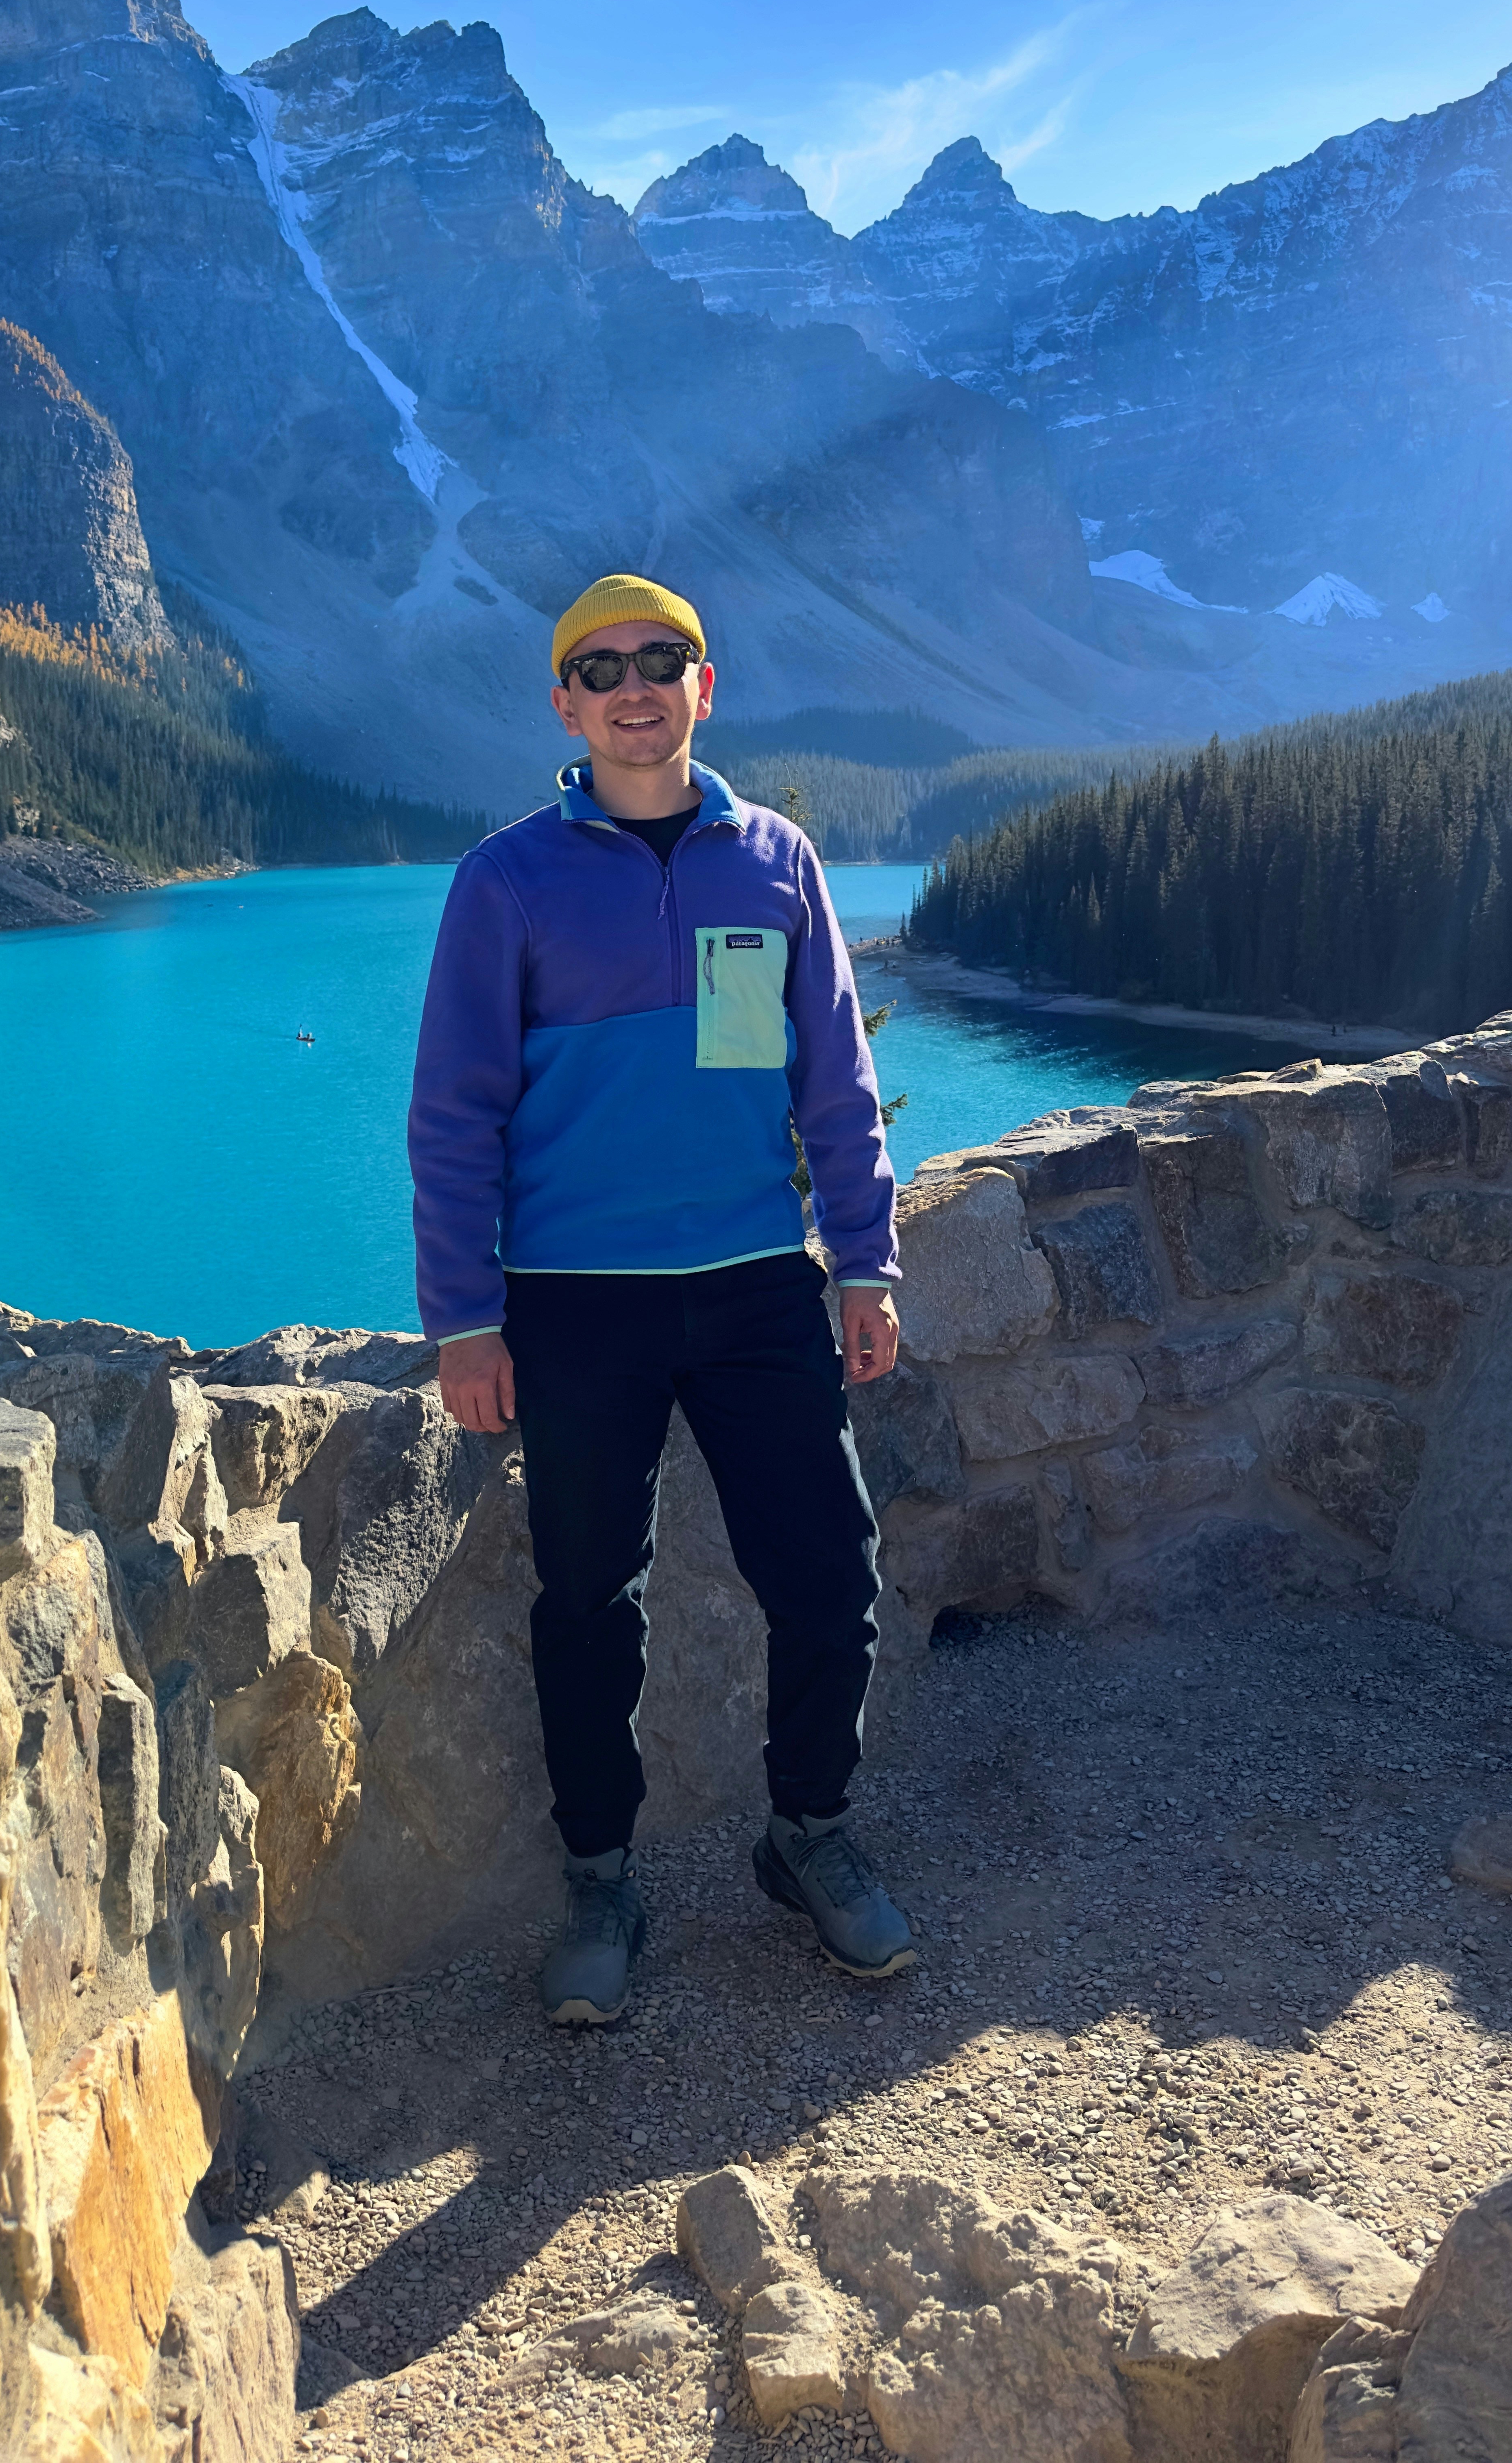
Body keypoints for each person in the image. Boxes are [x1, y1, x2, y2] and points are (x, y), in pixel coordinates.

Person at [407, 570, 915, 2024]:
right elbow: (455, 1114)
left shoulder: (776, 861)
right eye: (601, 666)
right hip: (574, 1303)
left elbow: (834, 1080)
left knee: (829, 1575)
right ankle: (598, 1879)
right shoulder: (507, 880)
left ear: (707, 685)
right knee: (586, 1603)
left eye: (663, 660)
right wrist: (465, 1316)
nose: (634, 686)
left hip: (760, 1285)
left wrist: (863, 1261)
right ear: (565, 703)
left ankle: (807, 1833)